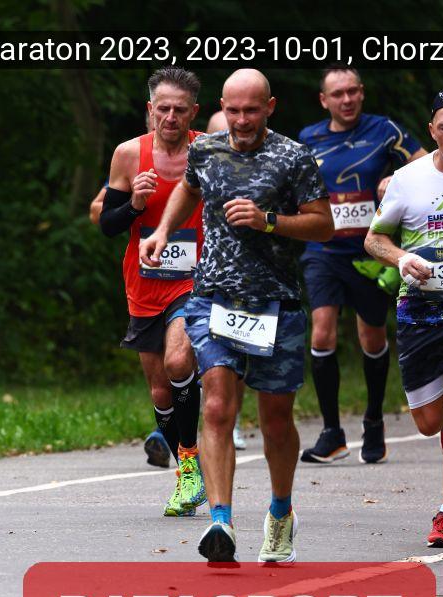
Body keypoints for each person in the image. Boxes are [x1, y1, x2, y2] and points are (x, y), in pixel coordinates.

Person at [141, 69, 334, 564]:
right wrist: (162, 230)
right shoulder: (205, 150)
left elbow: (323, 225)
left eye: (251, 110)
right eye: (233, 110)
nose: (242, 120)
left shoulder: (293, 156)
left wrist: (268, 221)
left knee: (276, 421)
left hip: (275, 304)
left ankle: (281, 512)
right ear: (221, 108)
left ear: (270, 107)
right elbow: (189, 189)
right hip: (214, 299)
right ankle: (221, 522)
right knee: (216, 407)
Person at [299, 66, 426, 465]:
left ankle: (373, 421)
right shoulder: (308, 138)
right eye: (338, 94)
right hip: (323, 250)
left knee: (371, 338)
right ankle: (332, 433)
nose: (347, 99)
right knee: (322, 332)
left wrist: (397, 178)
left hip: (371, 251)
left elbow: (428, 166)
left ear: (362, 93)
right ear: (324, 100)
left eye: (353, 91)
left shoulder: (385, 130)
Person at [99, 67, 206, 517]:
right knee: (161, 389)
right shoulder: (128, 154)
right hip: (144, 282)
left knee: (179, 361)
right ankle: (188, 473)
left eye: (180, 109)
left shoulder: (209, 151)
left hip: (195, 279)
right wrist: (135, 204)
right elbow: (107, 224)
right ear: (150, 109)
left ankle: (190, 461)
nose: (171, 117)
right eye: (163, 108)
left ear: (193, 112)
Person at [364, 90, 443, 546]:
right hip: (421, 310)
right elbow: (374, 240)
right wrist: (401, 259)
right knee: (429, 421)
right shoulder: (408, 179)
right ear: (432, 131)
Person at [205, 109, 249, 451]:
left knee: (235, 352)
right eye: (219, 137)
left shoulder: (261, 175)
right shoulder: (196, 170)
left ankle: (230, 418)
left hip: (243, 281)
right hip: (198, 278)